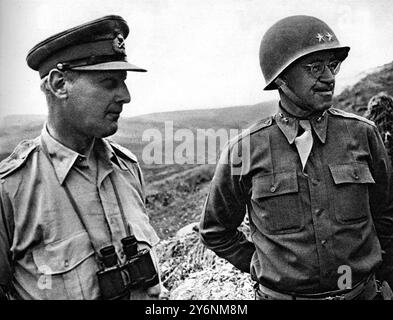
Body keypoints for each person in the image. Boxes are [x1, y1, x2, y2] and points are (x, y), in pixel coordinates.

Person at [199, 15, 393, 300]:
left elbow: (387, 216)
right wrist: (264, 266)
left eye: (332, 65)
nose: (328, 78)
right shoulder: (245, 149)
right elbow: (215, 230)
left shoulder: (363, 134)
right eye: (314, 67)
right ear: (281, 78)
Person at [0, 15, 164, 300]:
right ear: (60, 84)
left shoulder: (128, 168)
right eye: (108, 82)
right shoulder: (11, 190)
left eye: (123, 82)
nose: (125, 96)